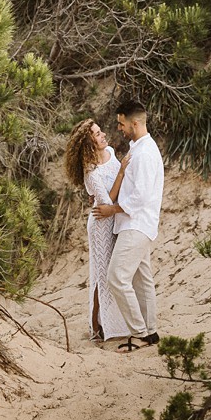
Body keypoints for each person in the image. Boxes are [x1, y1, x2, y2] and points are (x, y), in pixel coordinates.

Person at [92, 99, 164, 353]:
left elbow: (140, 197)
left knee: (117, 277)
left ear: (135, 123)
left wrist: (112, 209)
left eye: (122, 124)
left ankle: (139, 333)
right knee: (142, 279)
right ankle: (151, 332)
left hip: (136, 224)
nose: (119, 129)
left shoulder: (144, 154)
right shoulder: (138, 147)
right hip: (135, 223)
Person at [63, 117, 131, 342]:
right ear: (90, 143)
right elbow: (105, 203)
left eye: (101, 131)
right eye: (98, 134)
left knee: (113, 272)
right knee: (100, 275)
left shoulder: (111, 152)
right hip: (101, 223)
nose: (104, 135)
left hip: (115, 220)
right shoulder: (91, 173)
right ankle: (95, 327)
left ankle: (114, 321)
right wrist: (121, 172)